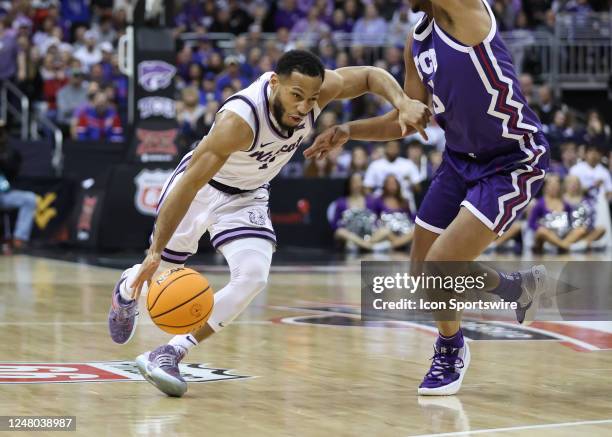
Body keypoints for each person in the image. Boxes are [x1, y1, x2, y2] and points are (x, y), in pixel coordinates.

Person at [107, 50, 430, 397]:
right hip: (201, 188)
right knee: (159, 273)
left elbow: (368, 75)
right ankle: (126, 292)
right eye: (296, 96)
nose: (304, 107)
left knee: (253, 276)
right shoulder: (240, 121)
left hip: (248, 195)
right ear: (275, 83)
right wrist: (155, 250)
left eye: (311, 99)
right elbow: (188, 186)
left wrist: (402, 101)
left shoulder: (317, 92)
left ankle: (171, 351)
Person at [306, 0, 550, 396]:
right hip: (459, 159)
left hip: (512, 158)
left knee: (442, 263)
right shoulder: (418, 39)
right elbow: (406, 119)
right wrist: (348, 131)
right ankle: (517, 289)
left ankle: (451, 348)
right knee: (423, 271)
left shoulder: (465, 10)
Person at [0, 123, 37, 251]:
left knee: (30, 198)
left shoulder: (9, 152)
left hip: (4, 194)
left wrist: (4, 159)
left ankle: (19, 239)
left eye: (1, 132)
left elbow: (14, 171)